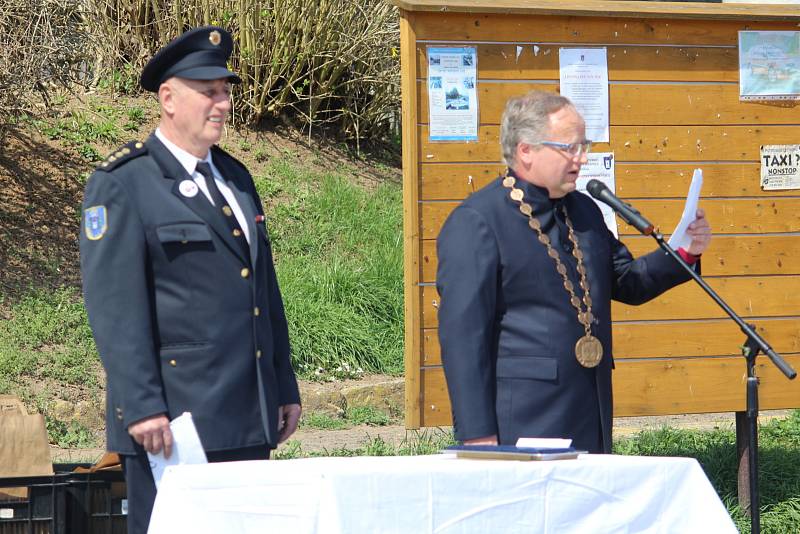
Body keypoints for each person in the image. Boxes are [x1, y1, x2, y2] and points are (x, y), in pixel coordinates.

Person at [79, 26, 301, 533]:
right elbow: (115, 307)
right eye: (208, 92)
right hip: (174, 422)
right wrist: (141, 405)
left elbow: (262, 292)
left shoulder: (234, 177)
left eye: (225, 91)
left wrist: (282, 385)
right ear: (169, 98)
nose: (221, 103)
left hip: (247, 412)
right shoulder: (123, 184)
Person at [435, 91, 711, 454]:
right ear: (526, 150)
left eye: (584, 146)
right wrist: (477, 434)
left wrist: (684, 252)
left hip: (589, 411)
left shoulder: (583, 210)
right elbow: (463, 339)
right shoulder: (478, 221)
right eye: (570, 148)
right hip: (519, 422)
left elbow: (627, 281)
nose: (581, 158)